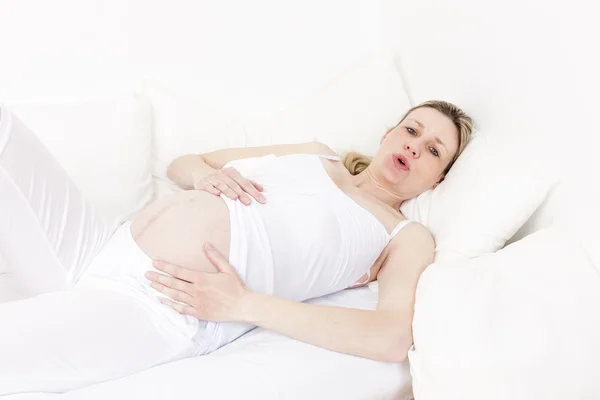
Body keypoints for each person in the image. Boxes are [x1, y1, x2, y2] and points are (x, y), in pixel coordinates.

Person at [0, 100, 472, 394]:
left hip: (159, 305)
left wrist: (247, 305)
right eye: (412, 130)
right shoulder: (315, 154)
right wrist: (204, 176)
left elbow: (389, 337)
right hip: (103, 245)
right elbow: (185, 163)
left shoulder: (402, 235)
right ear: (389, 131)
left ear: (441, 179)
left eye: (434, 150)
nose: (415, 147)